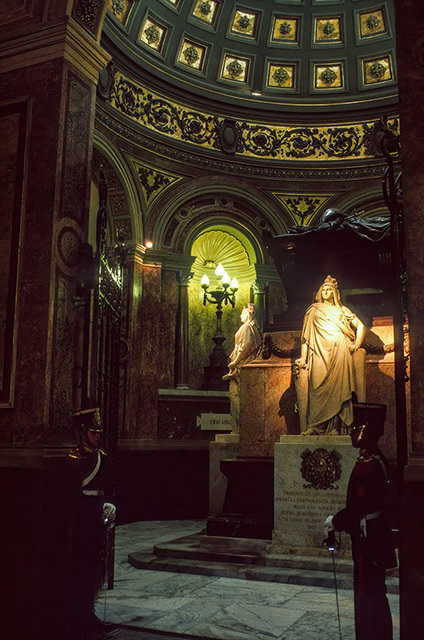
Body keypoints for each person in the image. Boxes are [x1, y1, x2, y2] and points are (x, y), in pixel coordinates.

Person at [324, 403, 397, 640]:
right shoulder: (372, 460)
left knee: (369, 592)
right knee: (369, 591)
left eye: (355, 428)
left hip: (370, 540)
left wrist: (336, 521)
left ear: (366, 431)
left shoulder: (371, 465)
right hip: (370, 536)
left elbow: (360, 505)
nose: (351, 433)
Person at [65, 407, 116, 635]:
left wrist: (109, 503)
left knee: (95, 569)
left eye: (100, 432)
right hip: (80, 520)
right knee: (80, 569)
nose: (98, 436)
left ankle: (88, 613)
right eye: (94, 432)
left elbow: (107, 488)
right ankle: (77, 616)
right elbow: (70, 493)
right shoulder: (74, 458)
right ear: (83, 432)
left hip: (95, 518)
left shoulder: (103, 458)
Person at [294, 274, 366, 434]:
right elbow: (305, 338)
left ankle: (335, 426)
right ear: (319, 292)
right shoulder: (313, 310)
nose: (326, 291)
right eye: (324, 289)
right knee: (317, 387)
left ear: (335, 293)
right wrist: (303, 357)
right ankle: (315, 426)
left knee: (339, 389)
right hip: (318, 352)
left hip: (339, 352)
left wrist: (356, 344)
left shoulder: (342, 310)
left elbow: (360, 326)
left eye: (329, 289)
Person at [222, 303, 262, 433]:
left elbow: (246, 346)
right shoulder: (254, 328)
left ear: (249, 315)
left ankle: (241, 428)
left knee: (236, 395)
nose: (240, 315)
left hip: (242, 365)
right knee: (242, 395)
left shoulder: (246, 328)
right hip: (246, 364)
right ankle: (241, 428)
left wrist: (235, 362)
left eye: (243, 313)